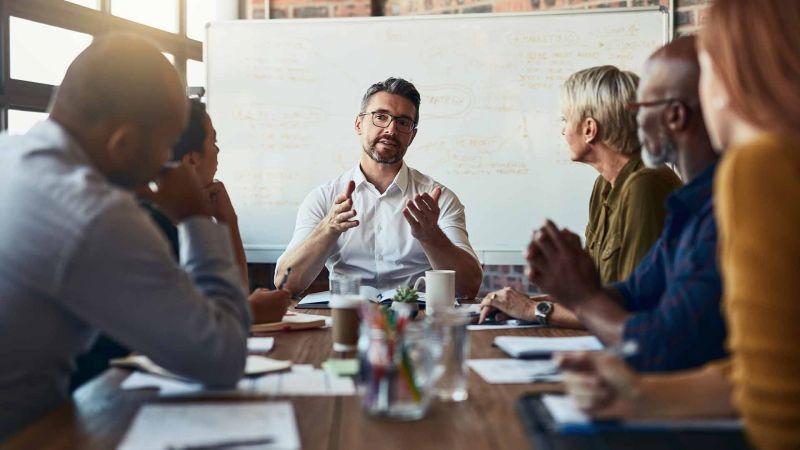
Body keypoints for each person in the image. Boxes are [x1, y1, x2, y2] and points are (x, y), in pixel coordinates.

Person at [558, 1, 800, 448]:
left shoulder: (761, 167)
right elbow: (760, 371)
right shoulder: (704, 191)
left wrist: (578, 298)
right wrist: (646, 397)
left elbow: (777, 413)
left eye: (711, 70)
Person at [0, 35, 250, 438]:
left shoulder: (9, 156)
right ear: (124, 143)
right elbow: (222, 358)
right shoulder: (94, 212)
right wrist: (196, 219)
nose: (169, 161)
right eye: (167, 145)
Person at [519, 36, 725, 372]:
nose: (636, 122)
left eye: (642, 107)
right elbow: (629, 292)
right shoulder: (689, 206)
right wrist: (562, 290)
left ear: (674, 116)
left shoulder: (659, 190)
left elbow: (650, 333)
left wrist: (555, 304)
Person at [70, 99, 291, 390]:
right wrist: (248, 312)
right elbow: (219, 339)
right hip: (104, 393)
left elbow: (226, 302)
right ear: (191, 160)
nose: (218, 151)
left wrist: (228, 222)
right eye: (213, 141)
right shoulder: (149, 229)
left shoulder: (160, 219)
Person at [480, 65, 680, 326]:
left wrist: (534, 309)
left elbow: (633, 309)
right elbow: (594, 295)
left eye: (565, 120)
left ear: (589, 129)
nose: (563, 131)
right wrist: (519, 303)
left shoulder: (645, 186)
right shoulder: (605, 185)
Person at [275, 77, 482, 298]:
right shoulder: (324, 198)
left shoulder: (438, 199)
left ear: (412, 135)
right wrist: (329, 227)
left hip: (415, 318)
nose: (391, 129)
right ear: (358, 124)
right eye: (380, 117)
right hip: (346, 319)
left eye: (403, 122)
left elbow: (469, 287)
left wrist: (431, 236)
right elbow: (285, 284)